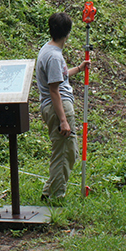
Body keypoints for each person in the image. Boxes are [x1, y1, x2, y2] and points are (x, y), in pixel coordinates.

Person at [35, 12, 88, 202]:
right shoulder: (54, 57)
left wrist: (79, 68)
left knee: (67, 151)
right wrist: (64, 120)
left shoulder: (47, 50)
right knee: (66, 152)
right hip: (59, 107)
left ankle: (49, 191)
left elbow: (60, 77)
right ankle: (55, 198)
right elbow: (54, 89)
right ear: (68, 33)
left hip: (55, 106)